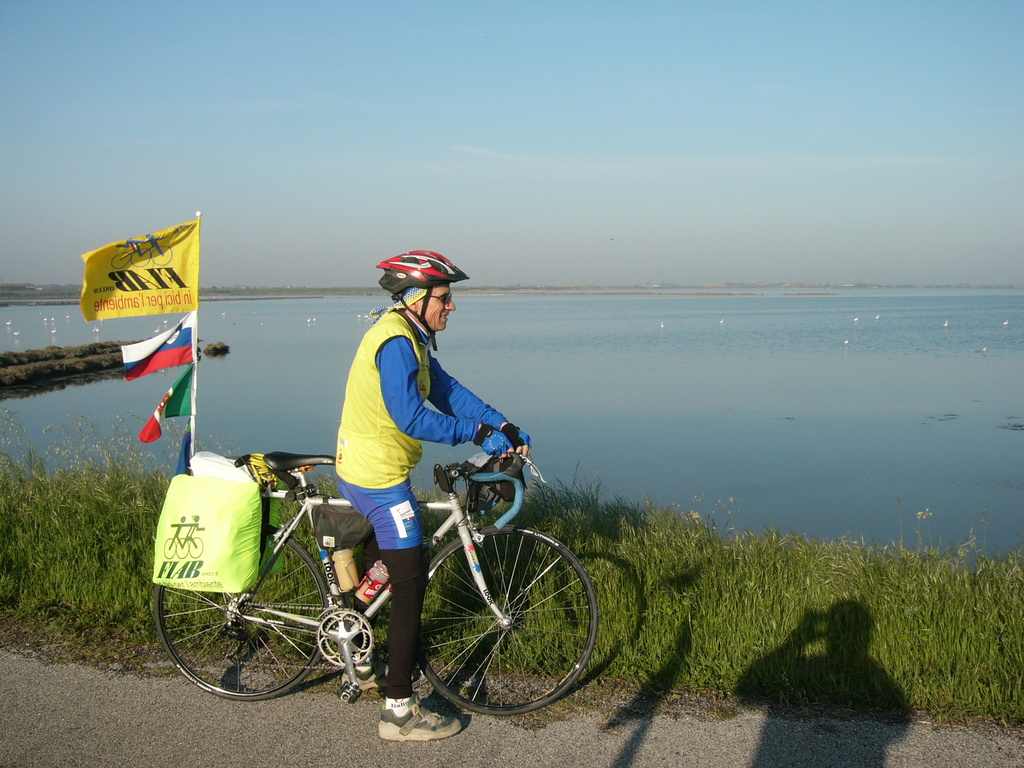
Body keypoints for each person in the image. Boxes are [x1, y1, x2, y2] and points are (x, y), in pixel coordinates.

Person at [335, 250, 531, 741]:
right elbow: (412, 417)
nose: (451, 307)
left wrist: (498, 423)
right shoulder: (396, 342)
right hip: (375, 477)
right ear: (418, 298)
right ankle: (398, 710)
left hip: (372, 468)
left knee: (399, 556)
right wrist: (478, 434)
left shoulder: (412, 338)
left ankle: (353, 638)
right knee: (411, 583)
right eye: (444, 297)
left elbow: (445, 390)